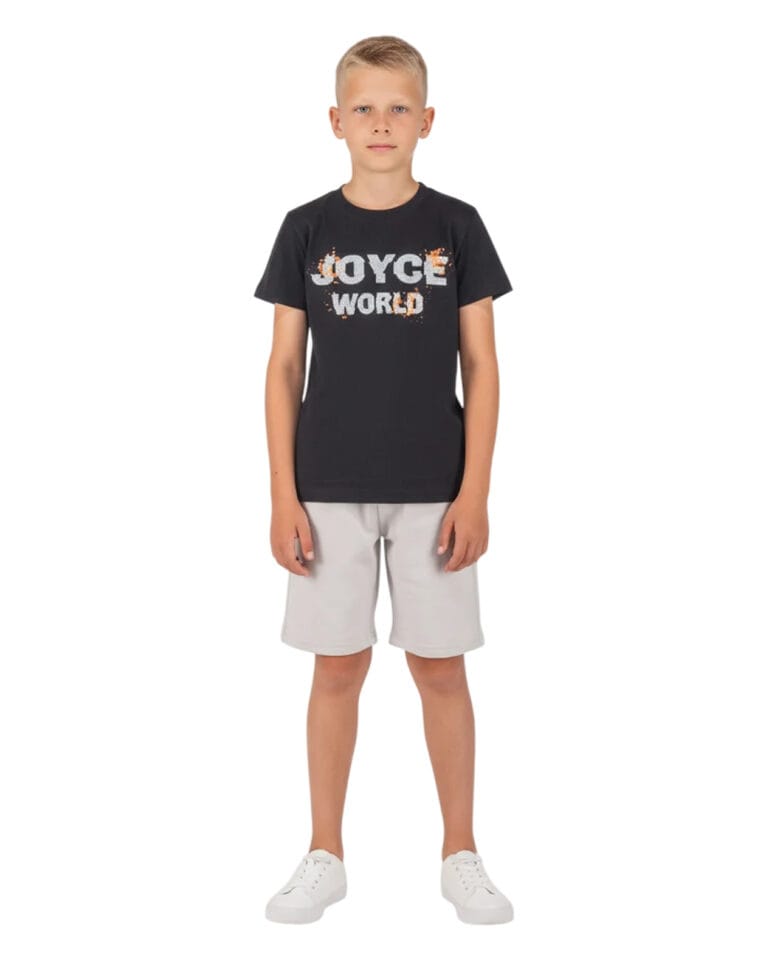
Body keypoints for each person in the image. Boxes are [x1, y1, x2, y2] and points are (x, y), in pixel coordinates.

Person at [253, 35, 515, 925]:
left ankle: (460, 853)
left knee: (441, 669)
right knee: (337, 668)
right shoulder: (306, 229)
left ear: (427, 121)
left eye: (398, 107)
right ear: (335, 121)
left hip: (435, 489)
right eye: (363, 107)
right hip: (325, 486)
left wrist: (475, 490)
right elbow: (282, 367)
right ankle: (324, 854)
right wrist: (282, 493)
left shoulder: (456, 226)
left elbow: (482, 364)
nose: (380, 122)